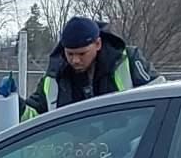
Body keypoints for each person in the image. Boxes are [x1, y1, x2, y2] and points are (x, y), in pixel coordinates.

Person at [20, 15, 155, 120]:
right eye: (70, 53)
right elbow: (34, 118)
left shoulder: (128, 60)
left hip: (130, 149)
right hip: (74, 151)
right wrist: (15, 104)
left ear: (98, 44)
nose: (75, 60)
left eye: (82, 53)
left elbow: (159, 98)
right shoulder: (55, 76)